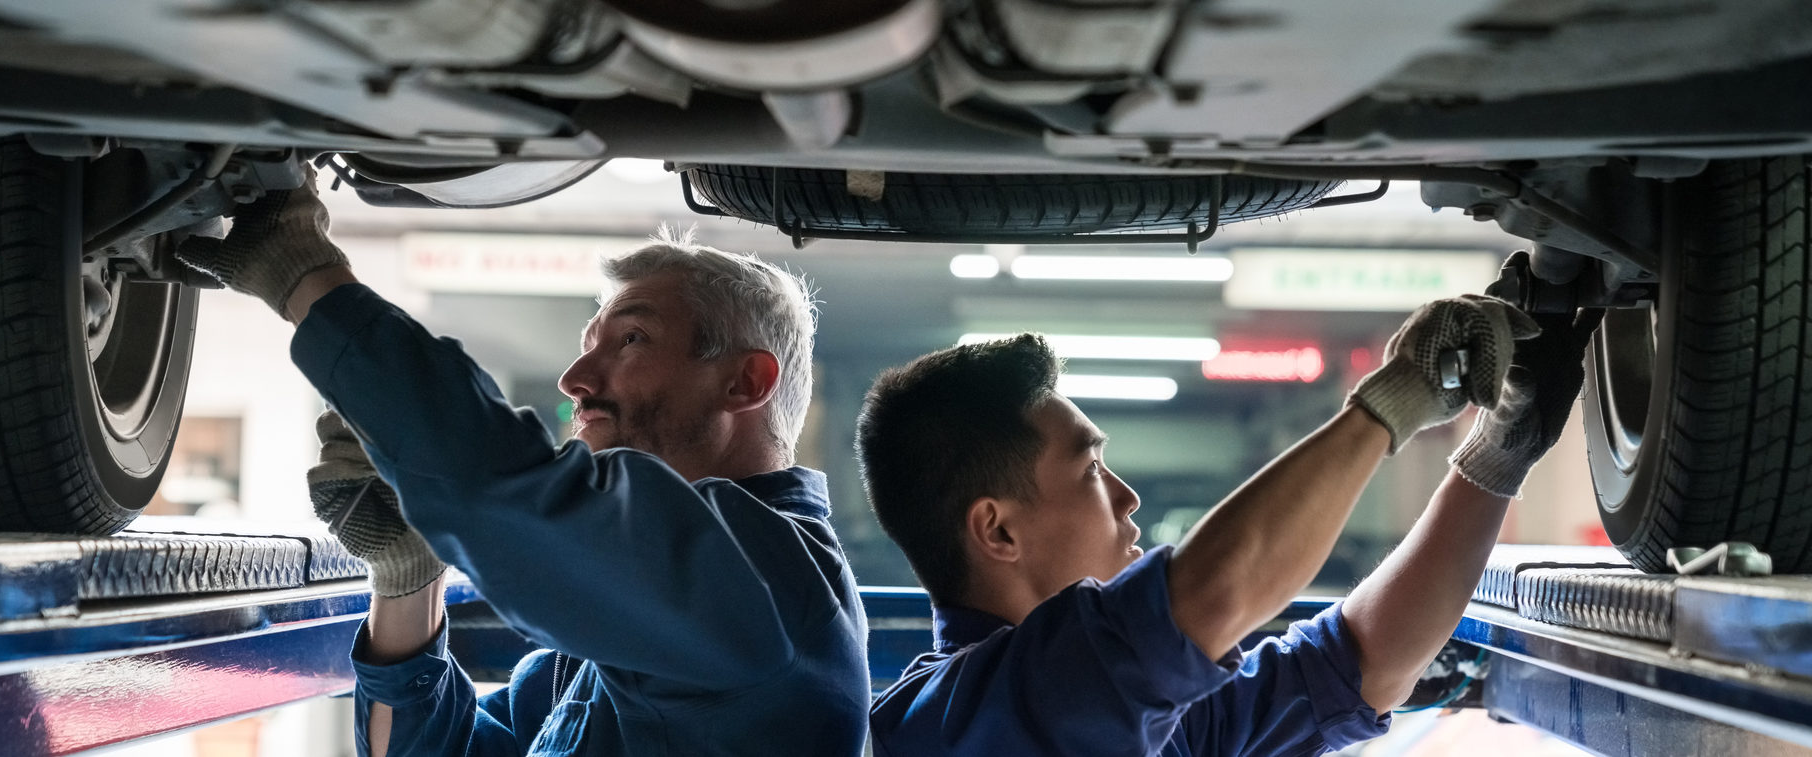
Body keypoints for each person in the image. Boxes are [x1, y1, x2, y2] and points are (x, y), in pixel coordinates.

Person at [177, 180, 870, 756]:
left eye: (631, 338)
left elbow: (503, 492)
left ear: (746, 382)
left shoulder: (773, 579)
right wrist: (406, 579)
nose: (576, 378)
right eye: (585, 346)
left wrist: (307, 280)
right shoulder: (611, 629)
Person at [856, 279, 1593, 756]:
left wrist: (1497, 458)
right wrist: (1395, 399)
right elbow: (1216, 591)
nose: (1126, 497)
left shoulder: (1143, 715)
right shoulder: (965, 725)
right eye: (1087, 470)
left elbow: (1362, 661)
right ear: (998, 531)